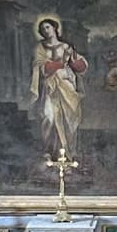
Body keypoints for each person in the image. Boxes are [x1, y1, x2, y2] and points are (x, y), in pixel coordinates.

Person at [29, 15, 88, 158]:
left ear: (55, 28)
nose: (45, 31)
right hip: (50, 86)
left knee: (69, 118)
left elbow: (81, 67)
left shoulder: (66, 47)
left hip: (67, 85)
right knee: (48, 116)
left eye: (47, 27)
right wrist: (62, 62)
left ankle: (68, 152)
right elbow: (42, 68)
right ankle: (49, 151)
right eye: (42, 29)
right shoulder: (41, 48)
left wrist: (73, 60)